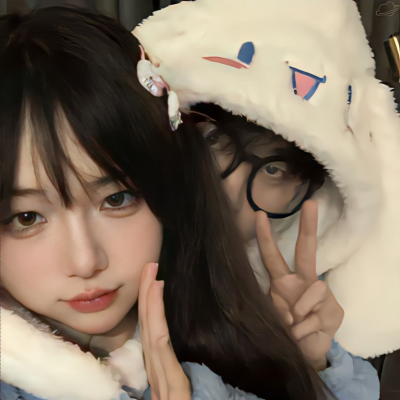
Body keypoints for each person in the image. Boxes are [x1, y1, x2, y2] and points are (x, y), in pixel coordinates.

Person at [0, 7, 331, 400]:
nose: (86, 262)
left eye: (117, 199)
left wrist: (307, 366)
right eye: (27, 218)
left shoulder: (218, 331)